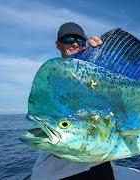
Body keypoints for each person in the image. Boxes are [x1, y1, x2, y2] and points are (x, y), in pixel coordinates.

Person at [30, 22, 115, 180]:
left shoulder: (94, 73)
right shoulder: (51, 76)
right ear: (58, 44)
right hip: (62, 171)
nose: (75, 44)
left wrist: (101, 58)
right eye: (69, 39)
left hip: (98, 162)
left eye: (80, 41)